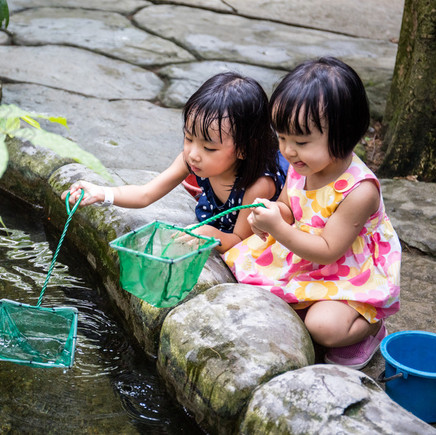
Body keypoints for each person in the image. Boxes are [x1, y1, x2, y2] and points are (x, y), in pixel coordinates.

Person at [223, 57, 401, 369]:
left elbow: (329, 251)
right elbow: (288, 209)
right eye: (282, 137)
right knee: (245, 279)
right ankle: (308, 301)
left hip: (345, 267)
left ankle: (371, 326)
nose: (288, 151)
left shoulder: (359, 191)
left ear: (343, 135)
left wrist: (279, 229)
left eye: (301, 141)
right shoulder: (302, 164)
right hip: (304, 250)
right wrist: (271, 215)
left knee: (324, 328)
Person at [62, 72, 287, 253]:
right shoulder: (192, 160)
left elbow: (241, 241)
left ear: (244, 149)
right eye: (189, 138)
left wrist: (214, 235)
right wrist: (101, 193)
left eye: (209, 147)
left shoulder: (257, 186)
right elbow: (144, 195)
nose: (193, 153)